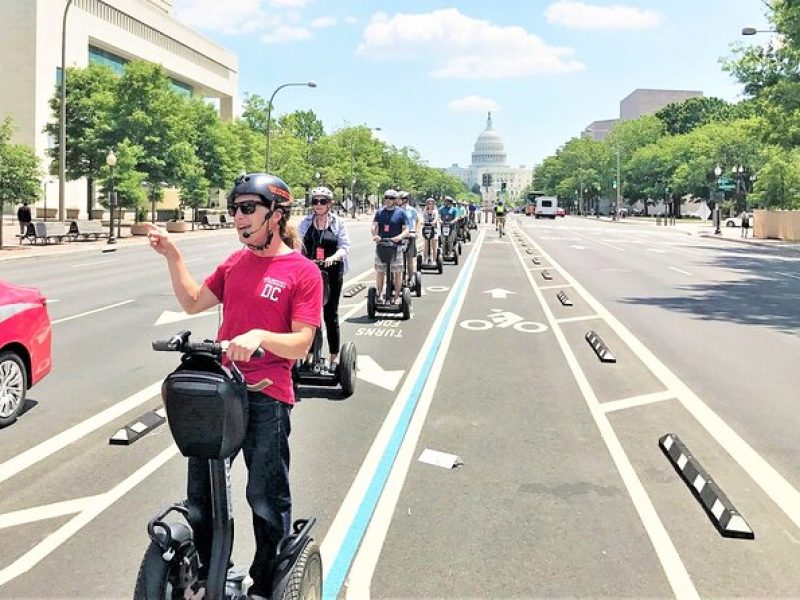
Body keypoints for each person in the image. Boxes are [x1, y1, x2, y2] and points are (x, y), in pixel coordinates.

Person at [145, 173, 323, 600]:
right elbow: (192, 301)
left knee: (265, 498)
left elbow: (302, 342)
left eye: (248, 209)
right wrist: (172, 254)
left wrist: (260, 336)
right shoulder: (235, 263)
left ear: (275, 215)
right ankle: (206, 579)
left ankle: (266, 582)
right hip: (222, 395)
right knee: (202, 497)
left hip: (267, 396)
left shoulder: (302, 271)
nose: (238, 218)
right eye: (235, 209)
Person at [298, 186, 350, 370]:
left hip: (332, 272)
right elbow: (298, 244)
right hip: (310, 273)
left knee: (330, 314)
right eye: (315, 201)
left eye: (323, 201)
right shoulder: (306, 222)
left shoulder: (338, 223)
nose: (318, 205)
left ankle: (334, 356)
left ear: (330, 203)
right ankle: (310, 354)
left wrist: (333, 258)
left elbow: (344, 246)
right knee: (309, 315)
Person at [372, 189, 408, 303]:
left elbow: (406, 229)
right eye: (386, 198)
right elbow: (374, 226)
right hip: (382, 245)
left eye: (391, 198)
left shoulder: (401, 213)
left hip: (395, 246)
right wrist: (375, 235)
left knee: (397, 271)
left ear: (396, 200)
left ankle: (396, 297)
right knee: (380, 271)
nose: (388, 200)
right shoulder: (380, 212)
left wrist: (400, 237)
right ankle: (380, 295)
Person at [398, 191, 420, 282]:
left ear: (404, 200)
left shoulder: (412, 210)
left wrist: (416, 232)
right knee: (398, 259)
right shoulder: (397, 210)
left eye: (399, 199)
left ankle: (410, 279)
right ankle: (399, 279)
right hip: (399, 237)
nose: (397, 200)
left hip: (410, 236)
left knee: (409, 259)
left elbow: (418, 220)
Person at [422, 197, 440, 263]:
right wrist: (423, 222)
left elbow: (436, 218)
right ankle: (425, 259)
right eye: (429, 203)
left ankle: (434, 260)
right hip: (426, 230)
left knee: (434, 245)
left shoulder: (435, 211)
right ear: (427, 204)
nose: (430, 205)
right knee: (426, 245)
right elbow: (422, 218)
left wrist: (434, 222)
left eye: (432, 203)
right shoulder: (425, 211)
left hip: (434, 230)